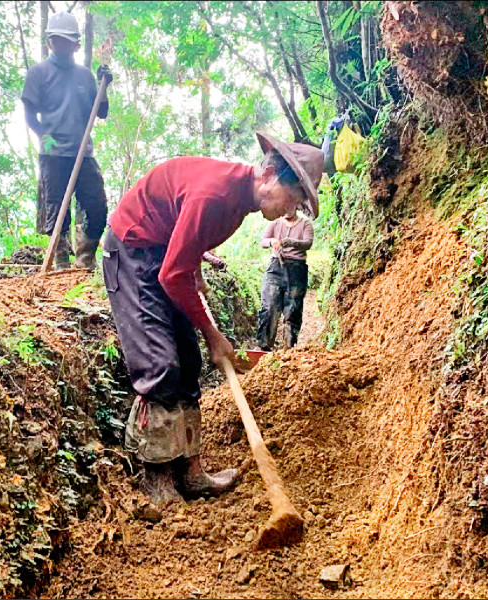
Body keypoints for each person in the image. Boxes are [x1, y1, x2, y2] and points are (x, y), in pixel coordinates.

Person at [103, 132, 323, 505]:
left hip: (162, 253)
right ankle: (157, 481)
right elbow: (172, 273)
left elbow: (188, 239)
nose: (295, 209)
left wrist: (197, 272)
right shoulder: (218, 195)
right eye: (295, 195)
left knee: (188, 362)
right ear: (269, 174)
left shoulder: (240, 202)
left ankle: (191, 474)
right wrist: (211, 333)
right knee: (160, 365)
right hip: (132, 252)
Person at [21, 11, 113, 270]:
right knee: (56, 209)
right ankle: (60, 260)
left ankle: (85, 259)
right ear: (49, 42)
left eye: (66, 41)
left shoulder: (84, 76)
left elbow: (101, 111)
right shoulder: (38, 73)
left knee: (96, 205)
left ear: (76, 45)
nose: (61, 45)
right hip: (53, 154)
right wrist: (44, 136)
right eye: (56, 40)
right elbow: (29, 113)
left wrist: (103, 87)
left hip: (83, 153)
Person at [257, 207, 314, 350]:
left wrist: (291, 242)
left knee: (293, 309)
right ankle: (264, 347)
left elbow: (308, 243)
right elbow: (263, 241)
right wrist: (272, 242)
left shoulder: (305, 223)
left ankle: (289, 349)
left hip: (297, 268)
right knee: (269, 307)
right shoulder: (275, 222)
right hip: (275, 267)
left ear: (296, 206)